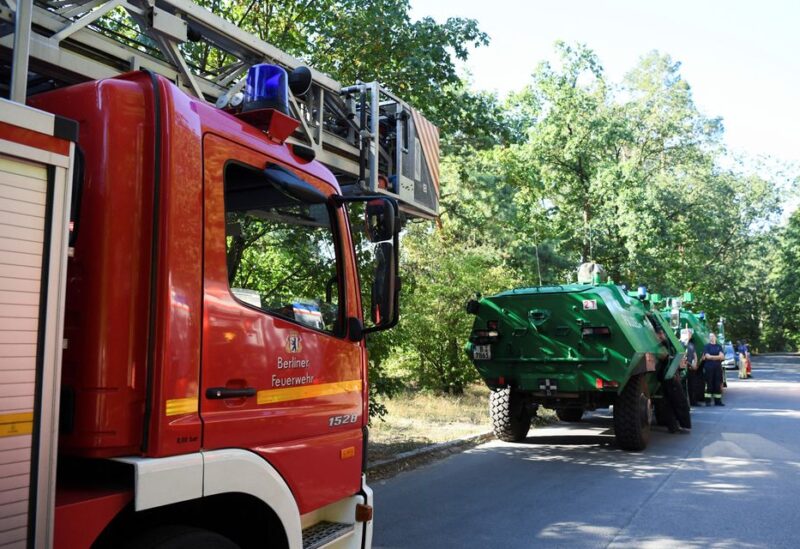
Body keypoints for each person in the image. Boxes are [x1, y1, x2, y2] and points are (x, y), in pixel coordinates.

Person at [701, 333, 725, 406]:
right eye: (710, 336)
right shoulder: (706, 346)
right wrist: (718, 357)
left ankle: (718, 401)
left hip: (718, 368)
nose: (711, 337)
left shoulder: (719, 346)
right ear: (709, 338)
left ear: (715, 337)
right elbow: (707, 357)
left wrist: (712, 357)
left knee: (717, 384)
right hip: (709, 367)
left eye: (713, 336)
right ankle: (708, 401)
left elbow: (722, 357)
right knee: (709, 384)